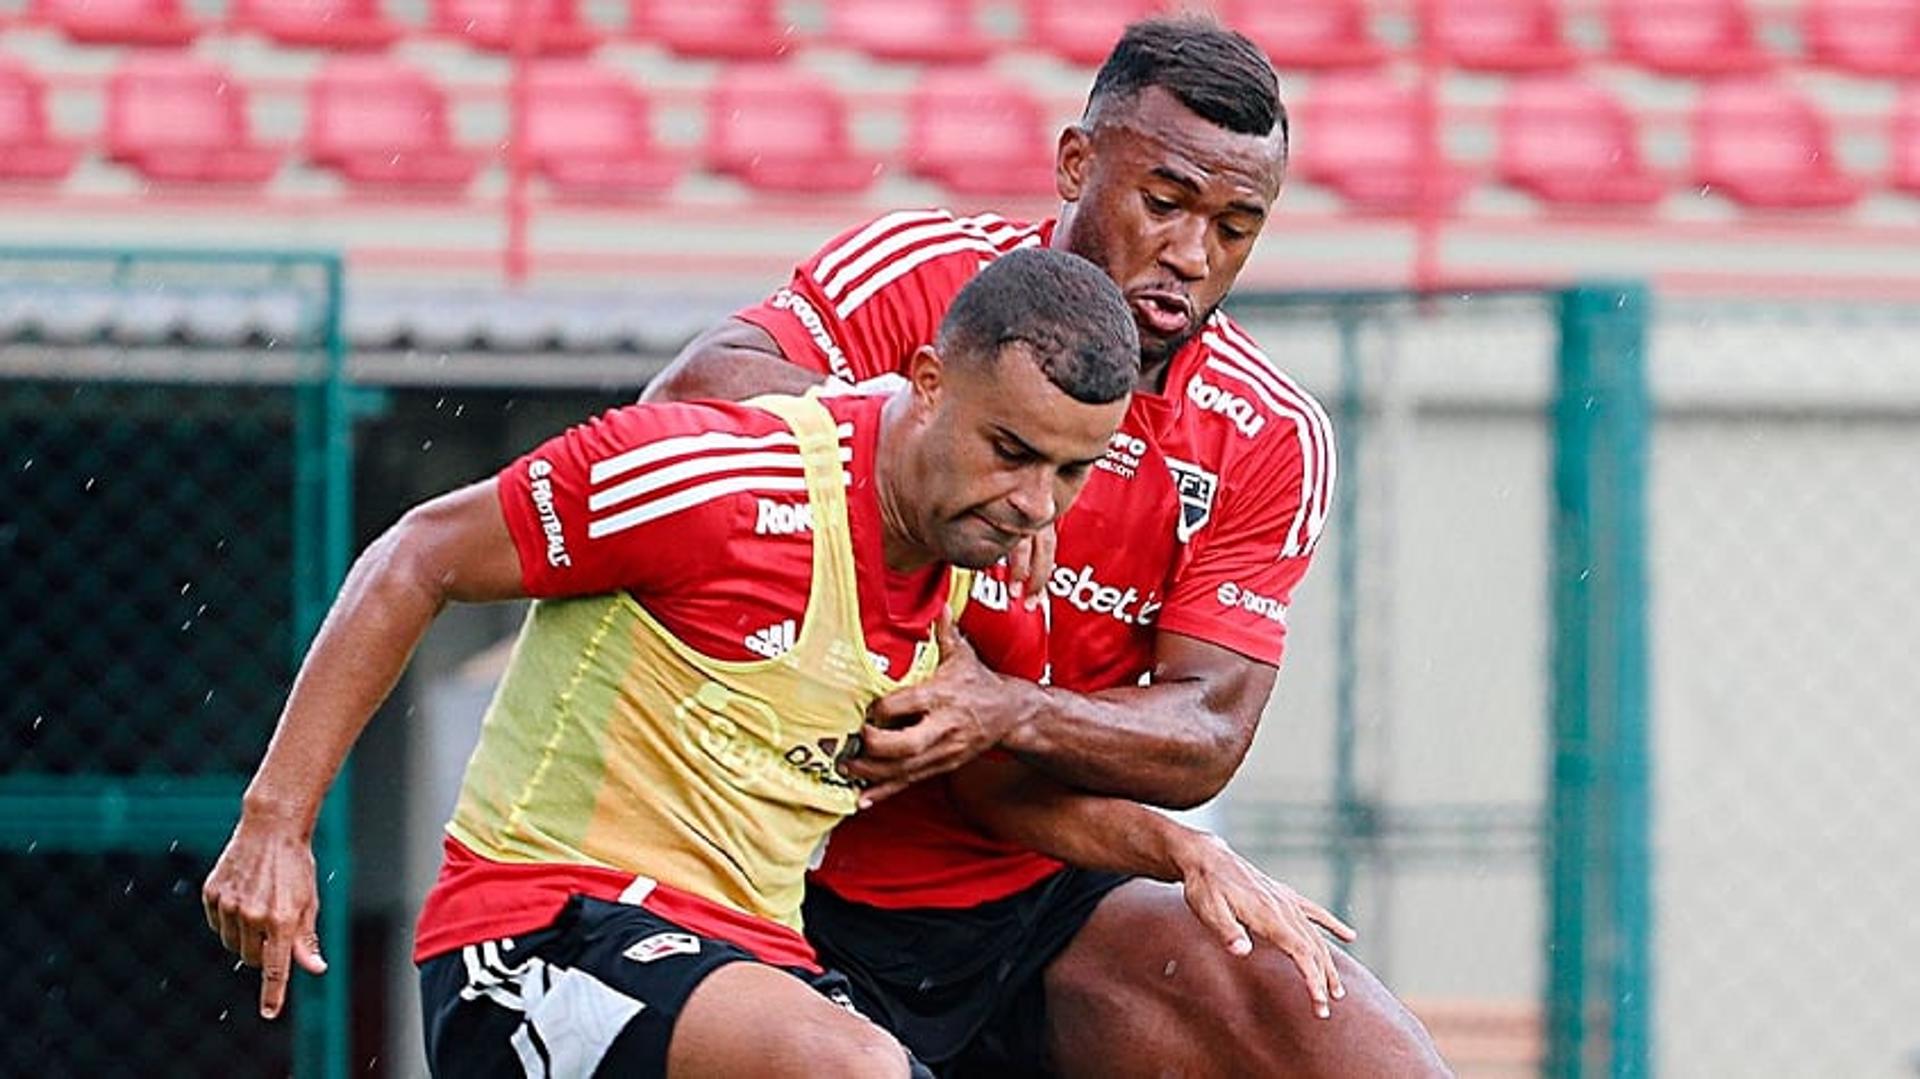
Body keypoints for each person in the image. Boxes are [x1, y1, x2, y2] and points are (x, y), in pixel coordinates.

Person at [200, 249, 1352, 1078]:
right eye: (1012, 453)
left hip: (755, 963)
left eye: (1068, 472)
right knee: (850, 1070)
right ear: (928, 380)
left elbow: (997, 786)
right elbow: (417, 554)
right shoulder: (719, 480)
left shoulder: (958, 569)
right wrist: (276, 821)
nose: (1032, 504)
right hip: (544, 935)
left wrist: (1184, 850)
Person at [642, 16, 1451, 1078]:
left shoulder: (1268, 432)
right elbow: (691, 398)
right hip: (763, 860)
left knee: (1341, 1034)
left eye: (1237, 225)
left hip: (1034, 888)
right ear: (1077, 164)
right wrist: (955, 453)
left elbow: (1205, 730)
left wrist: (1008, 707)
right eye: (1162, 203)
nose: (1192, 254)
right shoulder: (925, 279)